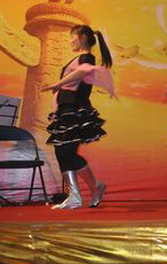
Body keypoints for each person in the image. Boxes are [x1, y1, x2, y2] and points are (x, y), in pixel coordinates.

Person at [42, 25, 114, 210]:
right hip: (65, 110)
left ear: (82, 37)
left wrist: (57, 84)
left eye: (72, 37)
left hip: (74, 110)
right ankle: (76, 194)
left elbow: (82, 71)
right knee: (61, 152)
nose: (70, 41)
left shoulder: (87, 58)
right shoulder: (76, 59)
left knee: (67, 152)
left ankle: (90, 188)